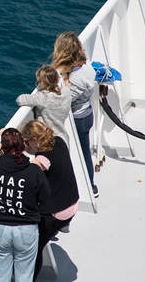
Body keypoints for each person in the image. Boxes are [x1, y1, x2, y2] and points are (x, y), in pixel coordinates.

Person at [0, 128, 51, 282]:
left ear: (3, 148)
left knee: (0, 276)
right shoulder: (34, 171)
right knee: (24, 277)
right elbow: (45, 199)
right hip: (27, 230)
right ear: (23, 146)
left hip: (1, 230)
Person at [20, 120, 79, 282]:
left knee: (34, 249)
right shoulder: (59, 141)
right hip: (72, 202)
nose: (25, 146)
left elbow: (28, 171)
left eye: (26, 142)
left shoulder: (43, 159)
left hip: (58, 211)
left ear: (35, 141)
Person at [51, 31, 98, 198]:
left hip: (77, 120)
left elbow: (66, 100)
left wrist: (64, 82)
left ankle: (83, 189)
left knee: (75, 154)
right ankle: (91, 186)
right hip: (87, 114)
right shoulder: (87, 68)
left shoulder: (74, 78)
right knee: (85, 153)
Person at [16, 65, 72, 146]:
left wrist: (39, 91)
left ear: (42, 82)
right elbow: (66, 88)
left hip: (49, 141)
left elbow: (19, 99)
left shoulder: (43, 97)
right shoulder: (67, 93)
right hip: (63, 139)